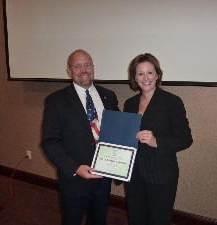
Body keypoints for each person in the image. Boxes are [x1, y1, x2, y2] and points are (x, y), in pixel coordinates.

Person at [41, 49, 119, 225]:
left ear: (93, 67)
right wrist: (75, 168)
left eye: (87, 64)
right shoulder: (56, 101)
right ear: (69, 71)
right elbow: (50, 142)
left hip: (103, 177)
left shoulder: (109, 96)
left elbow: (117, 131)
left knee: (99, 220)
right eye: (77, 65)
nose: (83, 69)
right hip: (74, 180)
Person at [124, 53, 193, 225]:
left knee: (158, 220)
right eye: (140, 73)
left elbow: (186, 139)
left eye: (150, 72)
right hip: (134, 174)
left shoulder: (172, 102)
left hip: (161, 174)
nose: (145, 78)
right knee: (136, 218)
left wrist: (157, 141)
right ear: (134, 77)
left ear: (157, 75)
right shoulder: (130, 104)